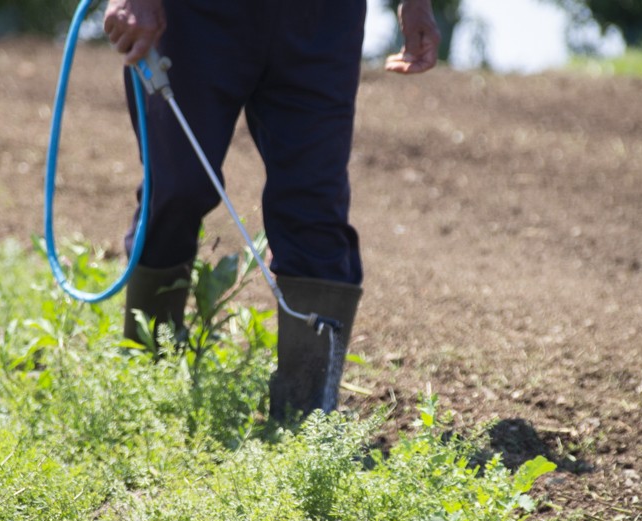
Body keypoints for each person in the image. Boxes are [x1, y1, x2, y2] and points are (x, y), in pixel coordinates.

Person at [104, 0, 440, 419]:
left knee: (314, 207)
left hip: (320, 20)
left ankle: (306, 422)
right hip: (192, 16)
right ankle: (144, 387)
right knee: (177, 188)